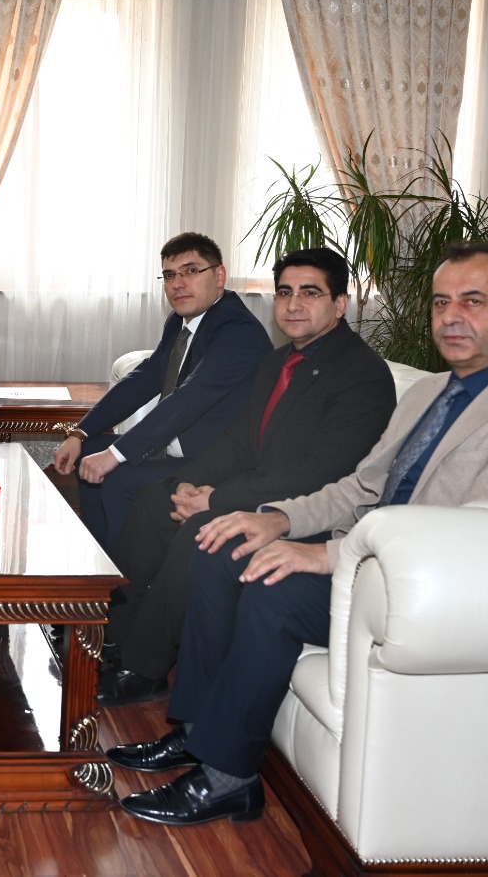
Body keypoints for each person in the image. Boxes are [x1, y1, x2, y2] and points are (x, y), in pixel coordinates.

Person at [112, 243, 488, 828]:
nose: (451, 316)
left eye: (474, 301)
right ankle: (196, 732)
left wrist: (325, 555)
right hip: (373, 559)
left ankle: (227, 778)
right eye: (442, 302)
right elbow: (359, 488)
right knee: (229, 547)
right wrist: (276, 519)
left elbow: (469, 542)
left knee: (274, 588)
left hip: (429, 589)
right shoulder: (427, 393)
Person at [97, 247, 396, 707]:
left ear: (340, 304)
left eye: (310, 293)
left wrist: (216, 500)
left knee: (202, 529)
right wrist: (188, 484)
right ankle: (110, 639)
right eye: (285, 293)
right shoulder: (277, 362)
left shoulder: (362, 375)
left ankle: (146, 668)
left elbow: (321, 472)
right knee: (155, 499)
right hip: (257, 490)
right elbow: (239, 441)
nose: (293, 305)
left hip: (302, 513)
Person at [50, 232, 271, 550]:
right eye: (170, 275)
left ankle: (122, 587)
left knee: (119, 478)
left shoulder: (238, 332)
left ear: (219, 276)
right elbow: (144, 378)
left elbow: (188, 399)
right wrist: (81, 432)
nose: (178, 283)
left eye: (191, 271)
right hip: (180, 450)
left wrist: (115, 455)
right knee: (89, 450)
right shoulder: (182, 321)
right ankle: (98, 564)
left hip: (215, 463)